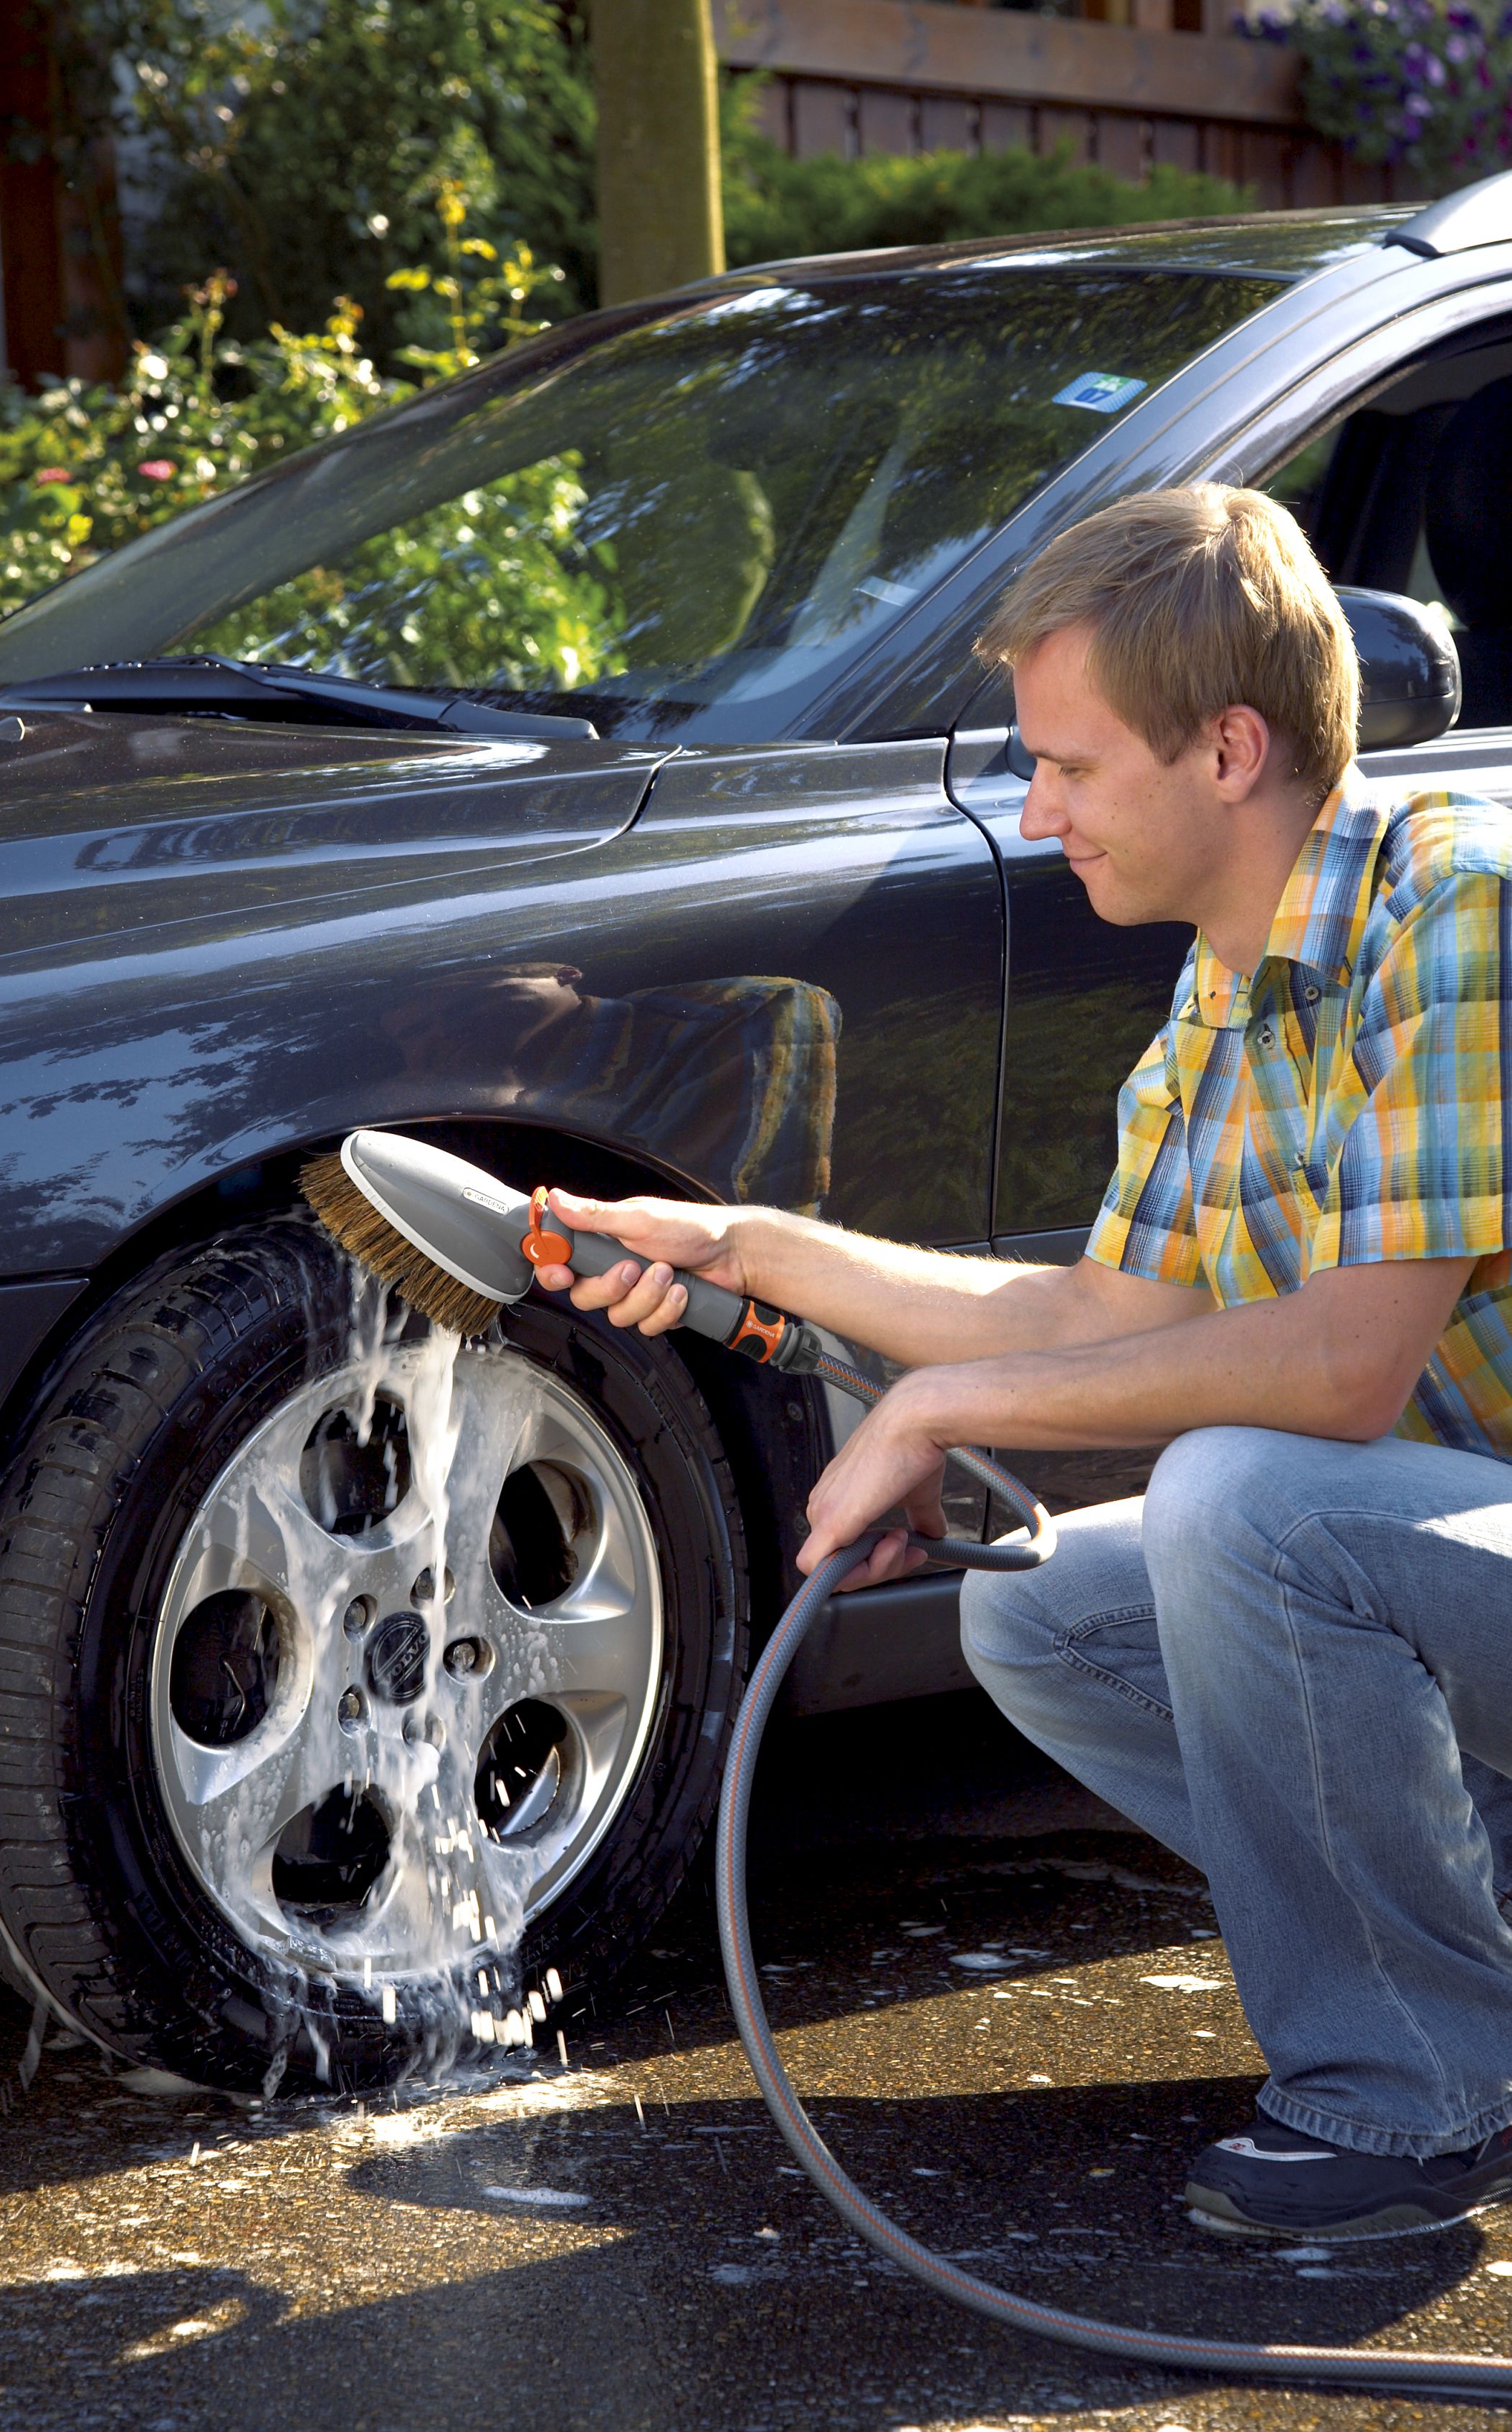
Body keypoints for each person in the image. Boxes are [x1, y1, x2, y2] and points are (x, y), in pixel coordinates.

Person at [535, 482, 1512, 2244]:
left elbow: (1349, 1368)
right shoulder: (1216, 1004)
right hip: (1470, 1571)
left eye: (1069, 764)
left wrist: (936, 1405)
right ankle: (1469, 1954)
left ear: (1227, 749)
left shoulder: (1460, 913)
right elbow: (1100, 1317)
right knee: (1040, 1602)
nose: (1035, 803)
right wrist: (743, 1249)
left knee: (1242, 1499)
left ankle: (1413, 2092)